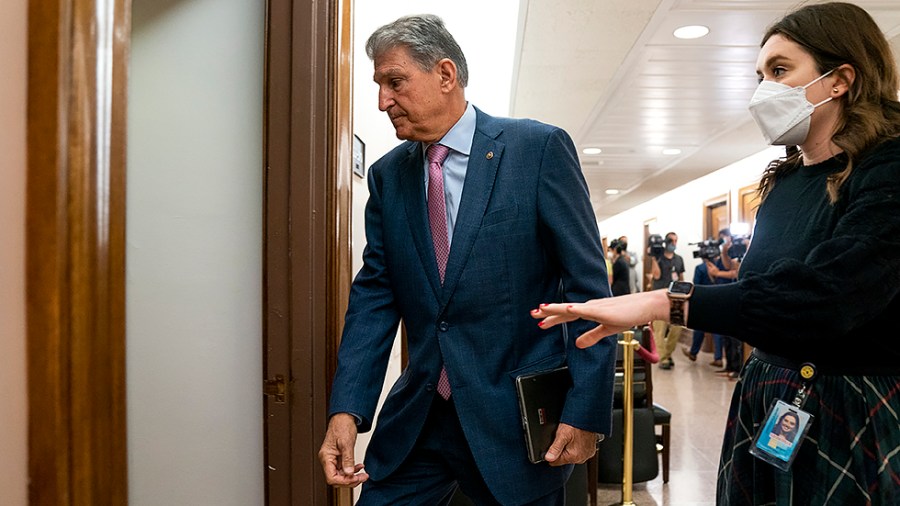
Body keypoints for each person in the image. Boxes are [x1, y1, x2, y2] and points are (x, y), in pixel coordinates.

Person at [532, 3, 900, 504]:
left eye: (780, 70)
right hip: (768, 396)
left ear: (840, 80)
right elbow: (759, 296)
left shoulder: (888, 168)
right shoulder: (784, 182)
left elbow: (828, 298)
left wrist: (667, 301)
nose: (762, 90)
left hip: (849, 404)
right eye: (760, 74)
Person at [318, 14, 616, 506]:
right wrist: (347, 410)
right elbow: (374, 296)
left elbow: (588, 291)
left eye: (394, 82)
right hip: (418, 421)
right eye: (379, 86)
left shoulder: (536, 149)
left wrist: (585, 411)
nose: (382, 101)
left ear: (445, 74)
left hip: (515, 422)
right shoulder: (387, 177)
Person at [649, 232, 684, 369]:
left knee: (677, 328)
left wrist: (684, 293)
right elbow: (656, 276)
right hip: (660, 297)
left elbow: (681, 277)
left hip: (676, 297)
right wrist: (653, 258)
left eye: (676, 240)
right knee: (659, 329)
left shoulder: (679, 259)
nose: (674, 243)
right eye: (671, 240)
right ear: (666, 242)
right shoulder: (659, 258)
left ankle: (667, 353)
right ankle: (663, 358)